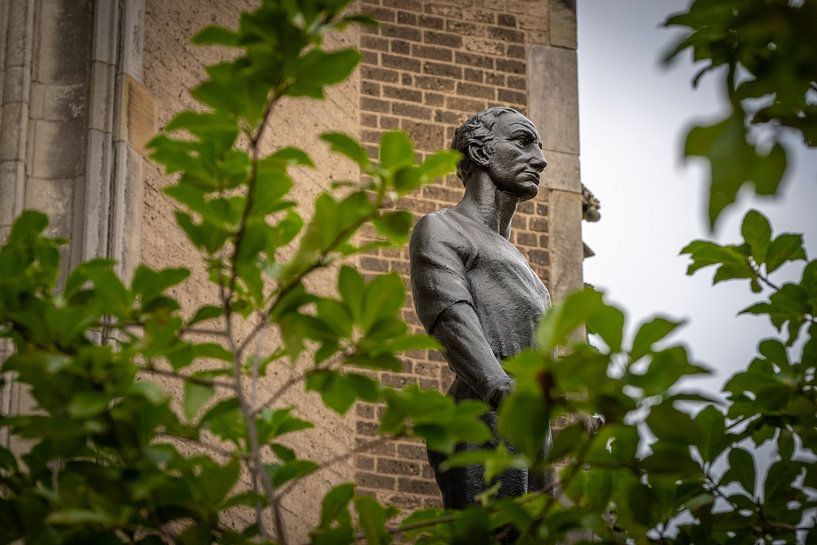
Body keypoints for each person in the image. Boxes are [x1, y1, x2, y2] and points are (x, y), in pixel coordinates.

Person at [409, 107, 552, 508]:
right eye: (523, 142)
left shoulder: (526, 268)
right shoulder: (443, 227)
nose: (540, 159)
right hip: (484, 415)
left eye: (538, 147)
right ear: (481, 152)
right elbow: (449, 313)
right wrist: (497, 386)